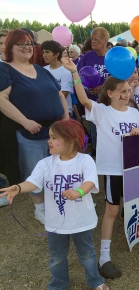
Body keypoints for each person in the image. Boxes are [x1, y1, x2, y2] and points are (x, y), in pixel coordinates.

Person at [62, 56, 139, 279]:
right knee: (111, 210)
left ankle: (134, 234)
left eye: (128, 91)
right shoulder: (102, 111)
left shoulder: (135, 113)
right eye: (121, 91)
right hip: (113, 169)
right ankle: (104, 257)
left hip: (132, 168)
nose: (126, 95)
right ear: (110, 93)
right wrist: (74, 73)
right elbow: (82, 98)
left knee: (133, 204)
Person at [0, 119, 108, 290]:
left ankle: (94, 281)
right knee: (57, 257)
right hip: (55, 223)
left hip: (81, 220)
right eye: (49, 137)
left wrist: (78, 192)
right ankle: (59, 283)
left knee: (87, 254)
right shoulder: (45, 163)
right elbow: (33, 182)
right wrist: (18, 188)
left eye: (53, 137)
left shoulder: (85, 160)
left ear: (70, 139)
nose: (48, 141)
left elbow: (89, 182)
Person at [0, 29, 69, 224]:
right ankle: (40, 209)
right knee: (35, 172)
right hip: (31, 133)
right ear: (10, 47)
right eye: (21, 44)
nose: (26, 48)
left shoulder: (41, 70)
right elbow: (1, 99)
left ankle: (61, 201)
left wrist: (65, 118)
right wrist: (25, 121)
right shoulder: (5, 69)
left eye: (29, 44)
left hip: (56, 132)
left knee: (59, 169)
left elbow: (58, 95)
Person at [77, 27, 111, 156]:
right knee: (95, 129)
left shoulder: (112, 57)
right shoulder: (87, 57)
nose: (93, 42)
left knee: (109, 128)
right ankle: (98, 152)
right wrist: (87, 87)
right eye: (92, 39)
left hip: (110, 102)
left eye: (96, 39)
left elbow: (121, 79)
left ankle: (109, 152)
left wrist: (103, 87)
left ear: (105, 41)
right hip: (92, 102)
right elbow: (78, 76)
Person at [41, 41, 74, 116]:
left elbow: (64, 94)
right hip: (48, 111)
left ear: (56, 54)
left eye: (47, 52)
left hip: (63, 112)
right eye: (43, 52)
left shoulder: (66, 71)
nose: (44, 55)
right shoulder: (43, 70)